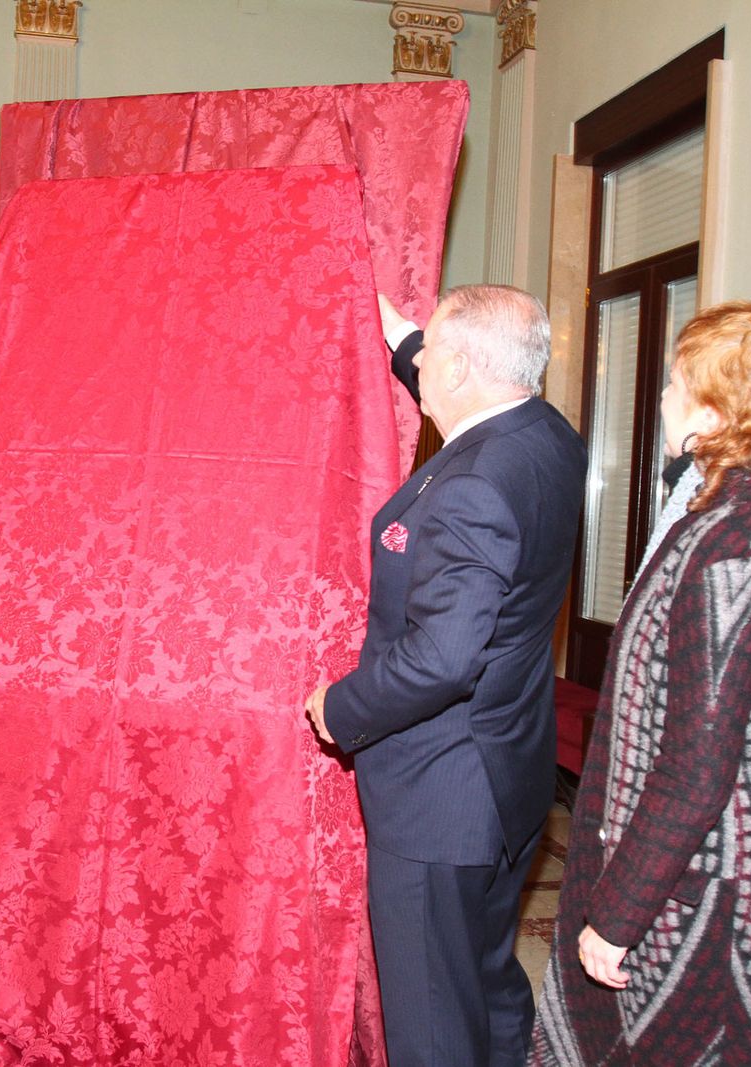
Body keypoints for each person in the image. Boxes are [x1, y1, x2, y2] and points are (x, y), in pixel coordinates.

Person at [529, 302, 751, 1065]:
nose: (665, 398)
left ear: (716, 412)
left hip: (720, 892)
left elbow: (697, 763)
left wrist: (619, 910)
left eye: (678, 383)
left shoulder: (739, 546)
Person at [304, 286, 587, 1066]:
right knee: (485, 979)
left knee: (431, 1014)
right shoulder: (549, 436)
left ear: (461, 365)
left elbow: (441, 657)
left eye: (428, 357)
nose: (418, 363)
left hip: (440, 794)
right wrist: (397, 330)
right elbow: (448, 369)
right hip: (507, 774)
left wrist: (341, 706)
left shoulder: (471, 486)